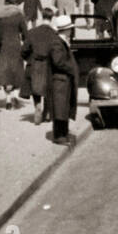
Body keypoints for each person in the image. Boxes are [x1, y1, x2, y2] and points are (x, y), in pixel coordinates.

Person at [45, 14, 79, 145]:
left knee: (63, 107)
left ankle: (63, 133)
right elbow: (58, 62)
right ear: (65, 30)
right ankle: (59, 135)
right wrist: (71, 68)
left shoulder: (61, 41)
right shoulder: (57, 43)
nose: (71, 31)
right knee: (60, 108)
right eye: (69, 29)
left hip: (63, 80)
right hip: (59, 81)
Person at [0, 1, 28, 109]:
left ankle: (7, 99)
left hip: (3, 46)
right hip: (16, 45)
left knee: (5, 71)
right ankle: (15, 95)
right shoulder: (18, 15)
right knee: (16, 70)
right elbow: (25, 33)